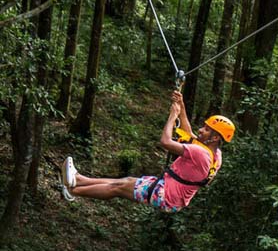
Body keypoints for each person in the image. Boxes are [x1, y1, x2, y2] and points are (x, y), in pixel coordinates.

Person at [60, 90, 235, 213]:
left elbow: (165, 141)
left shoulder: (200, 153)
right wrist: (180, 105)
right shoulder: (215, 155)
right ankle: (80, 180)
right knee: (123, 181)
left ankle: (73, 191)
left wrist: (173, 116)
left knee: (117, 188)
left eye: (206, 129)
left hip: (166, 194)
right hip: (169, 193)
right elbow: (190, 135)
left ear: (215, 138)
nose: (201, 130)